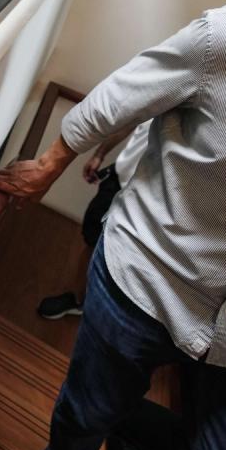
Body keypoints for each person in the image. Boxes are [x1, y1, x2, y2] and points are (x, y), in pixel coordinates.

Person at [0, 6, 226, 450]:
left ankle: (115, 421)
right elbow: (123, 93)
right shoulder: (224, 38)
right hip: (147, 281)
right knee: (86, 410)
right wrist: (49, 163)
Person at [37, 122, 150, 320]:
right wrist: (99, 154)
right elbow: (130, 121)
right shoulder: (157, 101)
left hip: (146, 199)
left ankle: (96, 308)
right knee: (92, 238)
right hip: (119, 178)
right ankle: (79, 299)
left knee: (122, 254)